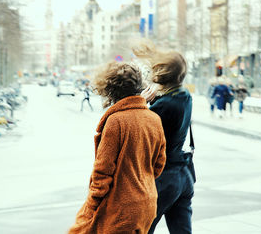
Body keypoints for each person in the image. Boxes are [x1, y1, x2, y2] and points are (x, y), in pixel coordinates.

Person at [68, 61, 167, 234]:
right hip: (147, 203)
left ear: (110, 89)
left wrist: (90, 209)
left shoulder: (116, 121)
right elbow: (159, 165)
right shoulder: (154, 119)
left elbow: (103, 172)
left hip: (120, 208)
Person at [132, 40, 194, 234]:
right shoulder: (184, 96)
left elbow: (136, 130)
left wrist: (141, 103)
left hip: (164, 178)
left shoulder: (163, 105)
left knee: (141, 228)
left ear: (160, 73)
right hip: (184, 175)